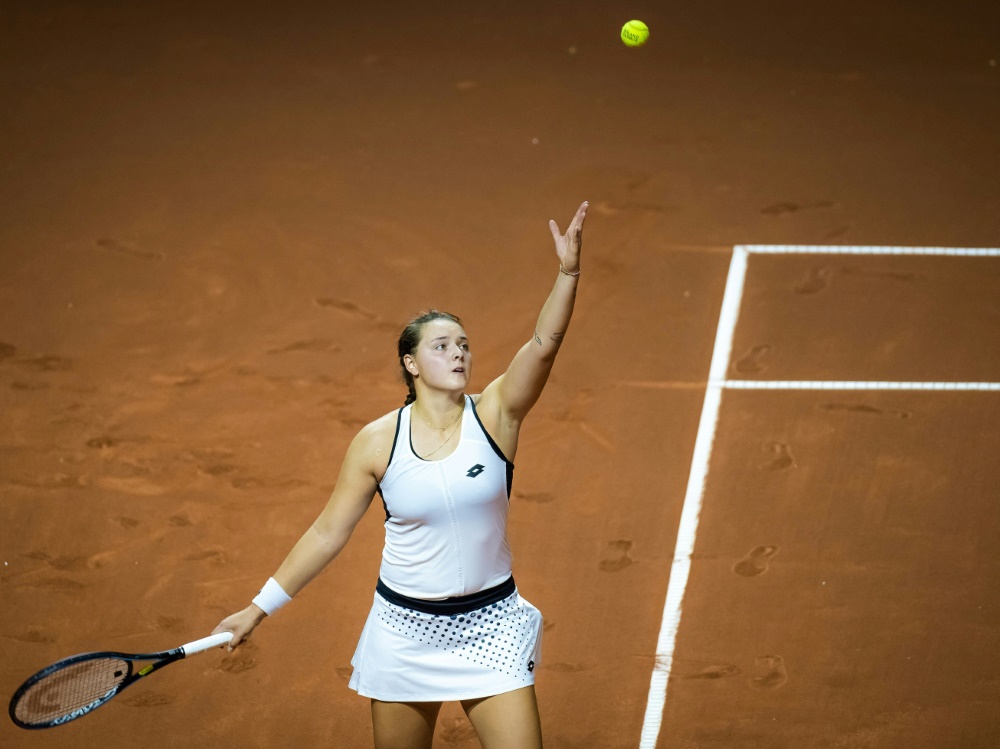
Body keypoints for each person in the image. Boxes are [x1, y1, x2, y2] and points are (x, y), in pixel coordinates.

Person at [213, 201, 589, 749]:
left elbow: (543, 345)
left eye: (463, 344)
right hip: (405, 631)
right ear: (411, 364)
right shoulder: (377, 441)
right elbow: (327, 532)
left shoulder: (497, 414)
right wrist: (257, 608)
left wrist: (568, 273)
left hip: (492, 626)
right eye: (441, 346)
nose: (458, 353)